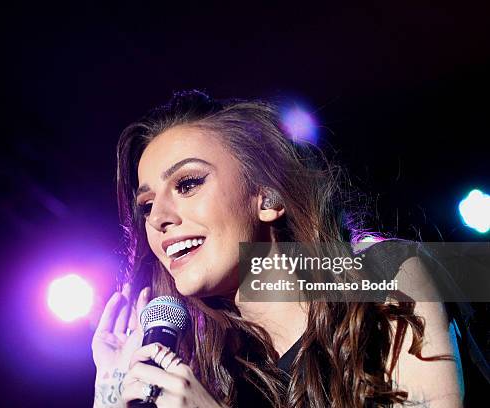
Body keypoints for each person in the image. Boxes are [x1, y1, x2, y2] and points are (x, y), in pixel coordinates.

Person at [91, 90, 464, 407]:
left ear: (268, 197)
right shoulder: (207, 371)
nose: (158, 218)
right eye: (146, 206)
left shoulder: (386, 278)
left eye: (187, 184)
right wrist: (109, 391)